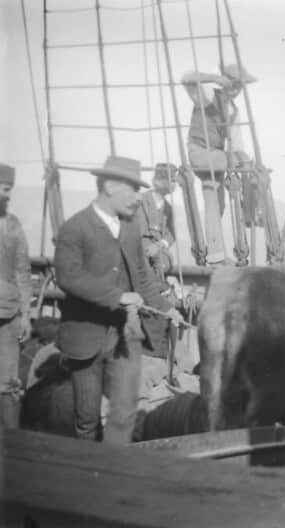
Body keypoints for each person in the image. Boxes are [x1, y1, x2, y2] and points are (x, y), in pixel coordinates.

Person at [54, 156, 183, 444]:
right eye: (133, 189)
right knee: (87, 421)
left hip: (124, 339)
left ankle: (116, 475)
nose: (139, 198)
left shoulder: (130, 230)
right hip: (85, 340)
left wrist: (167, 309)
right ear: (110, 186)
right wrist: (117, 296)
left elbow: (142, 278)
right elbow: (68, 277)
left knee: (124, 415)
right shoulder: (75, 228)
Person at [181, 64, 256, 264]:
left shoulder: (233, 111)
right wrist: (213, 77)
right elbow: (187, 78)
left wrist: (247, 166)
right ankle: (251, 212)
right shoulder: (207, 95)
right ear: (226, 81)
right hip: (200, 154)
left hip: (217, 158)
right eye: (233, 83)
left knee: (216, 204)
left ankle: (215, 255)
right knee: (243, 160)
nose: (236, 89)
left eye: (240, 85)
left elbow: (237, 144)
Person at [0, 164, 32, 428]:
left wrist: (25, 314)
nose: (5, 195)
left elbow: (22, 270)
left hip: (8, 316)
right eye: (2, 188)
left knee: (9, 383)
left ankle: (13, 445)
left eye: (8, 190)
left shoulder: (13, 226)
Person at [135, 163, 178, 280]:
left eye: (175, 181)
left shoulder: (168, 208)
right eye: (171, 180)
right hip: (137, 246)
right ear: (157, 181)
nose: (174, 184)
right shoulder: (140, 200)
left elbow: (171, 234)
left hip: (158, 250)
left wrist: (159, 245)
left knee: (164, 264)